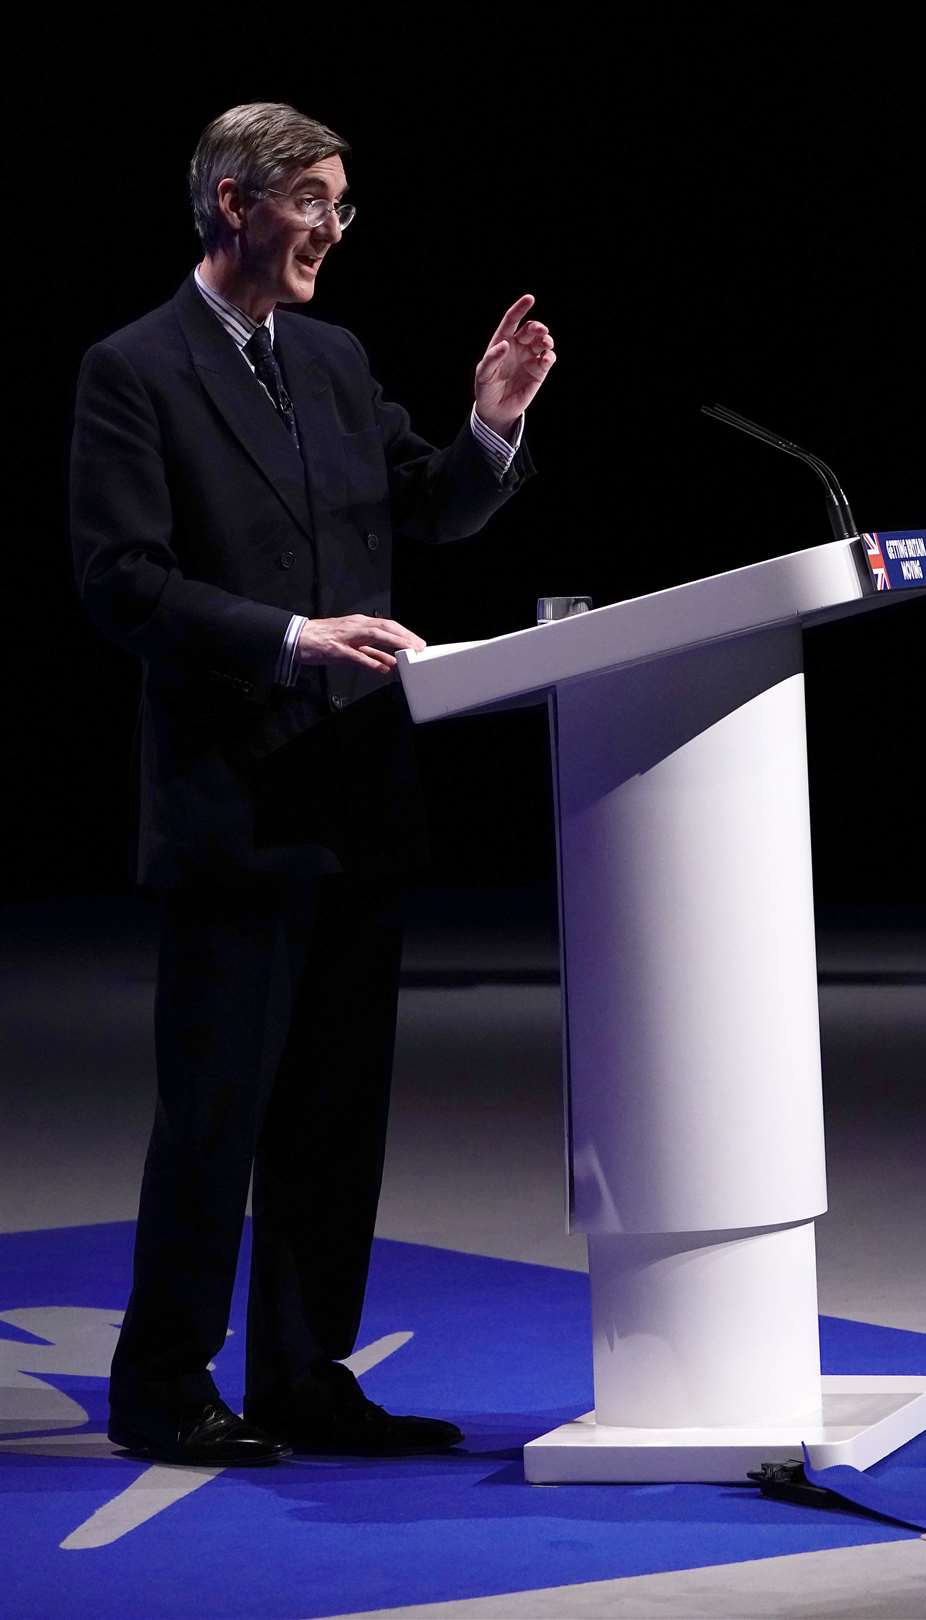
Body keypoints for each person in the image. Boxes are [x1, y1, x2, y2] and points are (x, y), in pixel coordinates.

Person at [69, 102, 555, 1466]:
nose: (332, 234)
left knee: (336, 1124)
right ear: (237, 202)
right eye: (316, 205)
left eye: (344, 209)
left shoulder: (335, 361)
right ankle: (163, 1382)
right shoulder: (134, 371)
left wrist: (488, 427)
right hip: (236, 808)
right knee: (218, 1116)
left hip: (357, 800)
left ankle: (301, 1373)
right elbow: (119, 581)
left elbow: (425, 504)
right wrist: (288, 636)